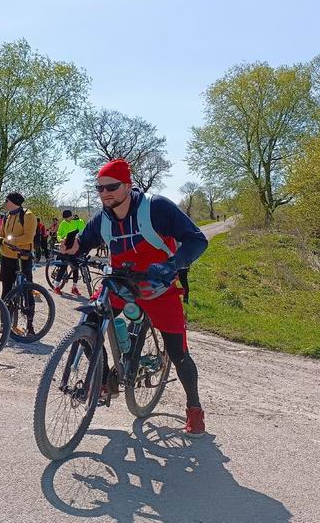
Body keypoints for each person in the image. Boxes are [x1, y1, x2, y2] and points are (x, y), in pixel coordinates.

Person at [63, 158, 208, 436]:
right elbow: (85, 242)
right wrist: (73, 246)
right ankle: (103, 378)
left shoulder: (156, 208)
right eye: (99, 188)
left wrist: (172, 265)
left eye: (111, 187)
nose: (104, 193)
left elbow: (197, 239)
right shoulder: (102, 217)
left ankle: (194, 410)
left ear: (128, 186)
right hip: (120, 283)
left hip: (158, 287)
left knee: (178, 353)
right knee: (89, 320)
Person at [0, 192, 37, 336]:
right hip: (7, 257)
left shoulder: (28, 216)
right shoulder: (7, 216)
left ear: (13, 201)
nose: (5, 203)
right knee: (6, 289)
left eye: (6, 200)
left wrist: (8, 241)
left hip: (23, 256)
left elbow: (28, 237)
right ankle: (4, 323)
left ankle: (30, 325)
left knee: (27, 290)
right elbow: (2, 234)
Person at [54, 209, 87, 296]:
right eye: (65, 219)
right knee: (63, 266)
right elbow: (59, 233)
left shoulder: (77, 222)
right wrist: (61, 239)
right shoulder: (63, 223)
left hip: (74, 247)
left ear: (71, 216)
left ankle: (74, 287)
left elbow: (83, 230)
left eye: (68, 218)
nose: (66, 220)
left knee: (76, 267)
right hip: (65, 246)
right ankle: (56, 286)